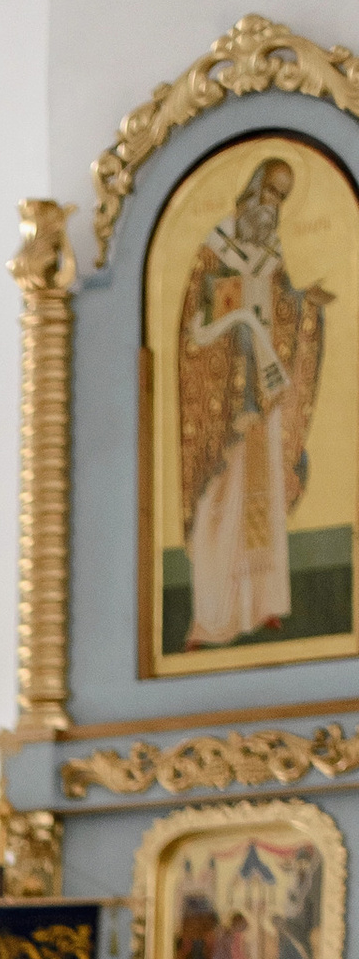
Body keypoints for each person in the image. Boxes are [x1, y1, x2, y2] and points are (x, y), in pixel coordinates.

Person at [178, 154, 328, 651]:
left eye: (281, 199)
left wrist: (307, 305)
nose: (272, 207)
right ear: (250, 190)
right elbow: (192, 332)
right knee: (220, 501)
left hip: (261, 401)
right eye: (268, 193)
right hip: (223, 406)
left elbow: (282, 312)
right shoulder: (212, 253)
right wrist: (238, 325)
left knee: (260, 498)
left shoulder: (272, 258)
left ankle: (260, 602)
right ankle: (213, 616)